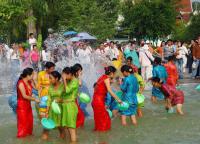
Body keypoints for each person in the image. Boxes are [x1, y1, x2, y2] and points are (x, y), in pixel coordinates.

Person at [92, 66, 122, 131]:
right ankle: (103, 139)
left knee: (99, 119)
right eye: (114, 74)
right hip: (99, 101)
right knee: (104, 120)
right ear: (111, 73)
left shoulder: (101, 77)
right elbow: (109, 90)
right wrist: (118, 99)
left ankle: (98, 136)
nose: (114, 75)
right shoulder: (106, 79)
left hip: (95, 100)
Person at [16, 68, 40, 138]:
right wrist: (35, 99)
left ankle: (28, 139)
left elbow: (37, 89)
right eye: (32, 75)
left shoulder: (30, 81)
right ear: (28, 75)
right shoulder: (20, 83)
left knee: (29, 123)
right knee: (23, 124)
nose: (33, 76)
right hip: (22, 106)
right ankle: (21, 139)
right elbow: (24, 96)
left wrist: (35, 79)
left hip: (28, 105)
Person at [42, 71, 65, 140]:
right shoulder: (50, 87)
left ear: (57, 78)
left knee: (60, 127)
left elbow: (67, 97)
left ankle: (62, 141)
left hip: (60, 109)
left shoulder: (63, 86)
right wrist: (46, 111)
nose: (49, 80)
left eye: (51, 78)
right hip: (52, 109)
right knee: (46, 127)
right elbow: (49, 99)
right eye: (49, 78)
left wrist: (60, 100)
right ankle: (43, 141)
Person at [62, 67, 79, 142]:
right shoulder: (69, 81)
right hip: (66, 106)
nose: (64, 77)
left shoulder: (75, 81)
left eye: (65, 75)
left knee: (71, 128)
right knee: (67, 127)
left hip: (71, 106)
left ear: (70, 74)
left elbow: (67, 90)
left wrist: (64, 80)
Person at [71, 64, 85, 128]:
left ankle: (75, 128)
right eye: (80, 71)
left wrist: (78, 94)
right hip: (71, 100)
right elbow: (79, 84)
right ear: (77, 71)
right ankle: (74, 129)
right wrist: (79, 76)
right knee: (80, 116)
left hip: (74, 99)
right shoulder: (73, 78)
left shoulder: (74, 77)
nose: (81, 72)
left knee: (78, 115)